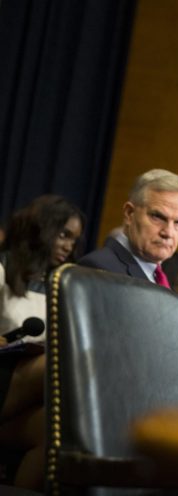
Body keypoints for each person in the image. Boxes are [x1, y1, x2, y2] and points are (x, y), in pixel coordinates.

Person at [0, 195, 85, 490]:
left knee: (54, 432)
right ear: (41, 228)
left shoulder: (62, 285)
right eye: (63, 235)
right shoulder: (2, 269)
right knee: (65, 363)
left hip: (28, 394)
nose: (69, 246)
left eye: (74, 240)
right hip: (5, 376)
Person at [79, 168, 178, 287]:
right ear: (129, 213)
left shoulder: (172, 276)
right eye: (157, 217)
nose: (168, 233)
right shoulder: (99, 268)